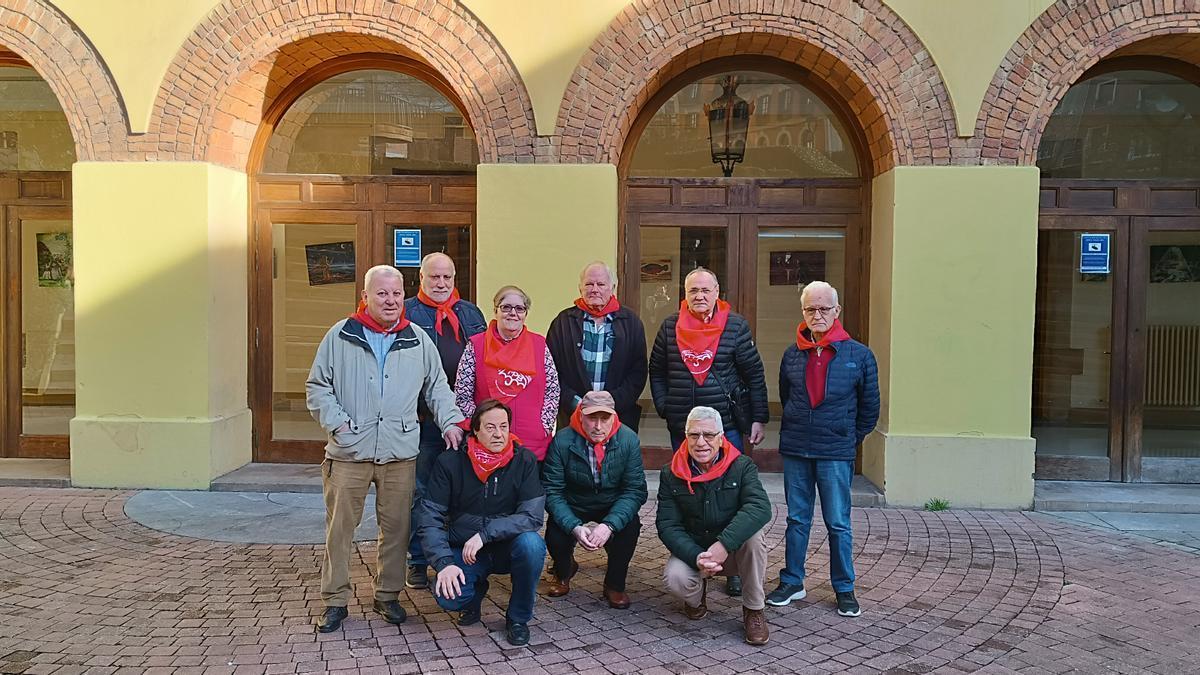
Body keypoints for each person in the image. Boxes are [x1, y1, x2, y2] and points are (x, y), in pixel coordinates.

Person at [305, 264, 465, 634]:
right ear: (365, 297)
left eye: (395, 293)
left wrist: (452, 421)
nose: (391, 300)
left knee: (396, 528)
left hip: (399, 452)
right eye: (382, 293)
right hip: (349, 452)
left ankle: (388, 594)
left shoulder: (416, 338)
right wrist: (339, 424)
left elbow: (437, 387)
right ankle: (335, 600)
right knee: (340, 529)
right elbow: (317, 387)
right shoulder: (340, 335)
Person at [649, 267, 768, 596]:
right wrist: (665, 404)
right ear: (684, 294)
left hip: (724, 427)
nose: (699, 296)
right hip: (683, 428)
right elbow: (656, 369)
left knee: (728, 496)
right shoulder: (670, 327)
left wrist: (758, 417)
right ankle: (691, 557)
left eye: (705, 290)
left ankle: (731, 563)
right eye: (693, 291)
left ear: (717, 291)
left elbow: (753, 374)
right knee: (688, 494)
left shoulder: (735, 326)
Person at [765, 281, 879, 619]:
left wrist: (846, 437)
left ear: (837, 312)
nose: (818, 315)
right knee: (797, 519)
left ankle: (844, 588)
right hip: (798, 447)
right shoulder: (791, 354)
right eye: (811, 309)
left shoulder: (859, 355)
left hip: (835, 451)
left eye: (824, 309)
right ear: (803, 312)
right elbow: (788, 398)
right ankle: (792, 581)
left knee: (838, 522)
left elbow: (870, 408)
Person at [415, 399, 547, 646]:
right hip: (464, 548)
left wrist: (486, 534)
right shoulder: (450, 462)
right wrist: (443, 563)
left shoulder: (524, 460)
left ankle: (518, 618)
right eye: (490, 427)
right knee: (449, 597)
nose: (499, 434)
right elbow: (430, 517)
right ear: (475, 430)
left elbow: (532, 516)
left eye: (504, 426)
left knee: (532, 546)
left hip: (505, 545)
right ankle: (474, 594)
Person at [402, 252, 487, 590]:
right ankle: (419, 560)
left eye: (447, 278)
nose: (440, 284)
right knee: (422, 493)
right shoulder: (407, 312)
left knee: (461, 493)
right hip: (423, 421)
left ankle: (456, 557)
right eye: (433, 277)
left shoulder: (470, 313)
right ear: (420, 278)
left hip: (465, 422)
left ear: (454, 279)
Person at [656, 406, 772, 646]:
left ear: (720, 438)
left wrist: (724, 544)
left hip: (732, 550)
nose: (701, 442)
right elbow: (667, 525)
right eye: (694, 435)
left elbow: (760, 508)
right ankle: (696, 600)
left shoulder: (742, 466)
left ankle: (754, 610)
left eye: (708, 435)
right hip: (695, 549)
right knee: (675, 577)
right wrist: (696, 556)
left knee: (754, 539)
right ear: (685, 437)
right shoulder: (670, 473)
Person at [541, 390, 647, 608]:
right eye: (592, 418)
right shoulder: (562, 440)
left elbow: (634, 490)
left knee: (629, 527)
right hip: (575, 501)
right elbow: (552, 490)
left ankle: (615, 585)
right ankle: (563, 571)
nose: (598, 426)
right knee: (555, 532)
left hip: (611, 501)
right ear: (581, 415)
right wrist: (574, 527)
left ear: (614, 417)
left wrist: (609, 525)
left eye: (604, 418)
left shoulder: (628, 440)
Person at [455, 285, 560, 461]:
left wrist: (545, 425)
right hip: (489, 444)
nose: (513, 313)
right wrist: (480, 426)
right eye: (506, 307)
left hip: (533, 443)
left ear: (526, 314)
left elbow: (553, 390)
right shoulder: (476, 345)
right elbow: (462, 395)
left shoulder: (539, 345)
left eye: (520, 308)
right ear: (495, 310)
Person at [546, 261, 648, 431]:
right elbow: (551, 372)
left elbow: (638, 372)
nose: (595, 289)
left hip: (618, 416)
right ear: (580, 288)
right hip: (573, 416)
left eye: (600, 284)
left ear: (612, 287)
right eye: (589, 284)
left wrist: (613, 401)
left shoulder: (631, 323)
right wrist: (576, 402)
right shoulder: (562, 322)